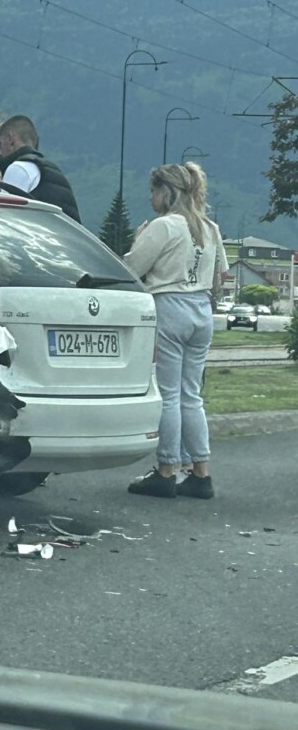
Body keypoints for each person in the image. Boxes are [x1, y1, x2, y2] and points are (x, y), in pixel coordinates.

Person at [123, 162, 228, 500]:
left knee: (168, 394)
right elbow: (220, 275)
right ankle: (200, 471)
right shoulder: (209, 228)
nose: (150, 197)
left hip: (170, 307)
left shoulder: (163, 227)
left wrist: (138, 239)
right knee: (190, 394)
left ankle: (167, 469)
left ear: (166, 192)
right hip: (201, 309)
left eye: (153, 191)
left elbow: (132, 269)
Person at [0, 115, 81, 221]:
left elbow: (7, 218)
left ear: (11, 139)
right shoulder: (51, 170)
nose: (0, 152)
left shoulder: (19, 168)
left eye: (0, 143)